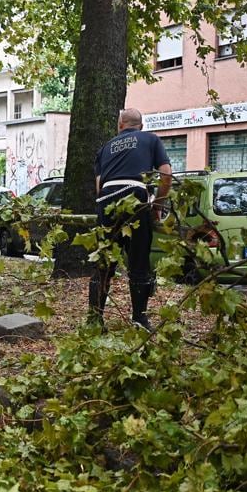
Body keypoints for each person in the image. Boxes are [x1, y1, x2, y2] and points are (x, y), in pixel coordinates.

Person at [89, 108, 172, 329]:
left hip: (106, 199)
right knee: (139, 262)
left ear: (120, 126)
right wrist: (157, 206)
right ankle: (139, 319)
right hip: (135, 196)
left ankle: (95, 319)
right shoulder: (151, 139)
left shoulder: (105, 148)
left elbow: (99, 186)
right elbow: (166, 174)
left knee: (104, 262)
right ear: (141, 126)